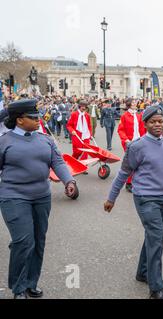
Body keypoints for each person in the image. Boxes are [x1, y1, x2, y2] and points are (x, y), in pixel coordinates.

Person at [104, 106, 163, 300]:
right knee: (157, 239)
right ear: (146, 124)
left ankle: (143, 272)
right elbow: (123, 173)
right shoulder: (137, 146)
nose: (157, 125)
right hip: (145, 198)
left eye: (160, 121)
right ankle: (156, 289)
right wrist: (111, 198)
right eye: (153, 122)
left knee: (153, 238)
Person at [0, 99, 78, 299]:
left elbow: (57, 162)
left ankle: (30, 283)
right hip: (13, 196)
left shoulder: (45, 139)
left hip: (41, 196)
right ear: (19, 120)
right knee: (23, 241)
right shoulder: (4, 141)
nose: (38, 120)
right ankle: (18, 288)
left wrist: (69, 181)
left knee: (37, 241)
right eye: (33, 117)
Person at [117, 98, 147, 192]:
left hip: (139, 141)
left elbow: (143, 128)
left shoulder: (139, 115)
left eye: (135, 102)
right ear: (129, 104)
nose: (135, 103)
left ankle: (138, 180)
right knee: (131, 163)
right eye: (133, 102)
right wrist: (125, 140)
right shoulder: (124, 116)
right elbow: (120, 130)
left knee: (140, 162)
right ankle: (129, 182)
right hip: (129, 142)